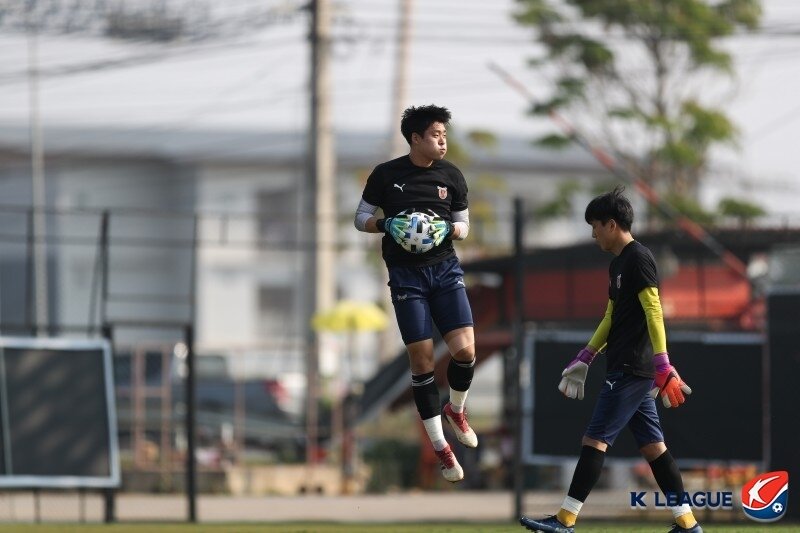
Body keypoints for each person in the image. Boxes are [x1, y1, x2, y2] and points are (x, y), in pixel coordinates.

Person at [519, 187, 700, 533]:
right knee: (654, 448)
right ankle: (687, 523)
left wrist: (662, 364)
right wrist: (585, 356)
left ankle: (565, 520)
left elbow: (654, 310)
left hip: (633, 367)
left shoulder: (639, 258)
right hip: (627, 366)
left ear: (612, 224)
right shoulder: (618, 264)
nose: (592, 233)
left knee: (594, 440)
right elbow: (610, 316)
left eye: (595, 226)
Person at [353, 104, 477, 482]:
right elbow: (360, 218)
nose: (442, 141)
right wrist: (387, 224)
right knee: (422, 362)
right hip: (406, 277)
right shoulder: (386, 175)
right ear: (416, 138)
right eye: (436, 135)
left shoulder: (451, 175)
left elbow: (464, 225)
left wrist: (443, 230)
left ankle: (456, 409)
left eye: (444, 135)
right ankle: (442, 448)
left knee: (466, 352)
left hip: (444, 271)